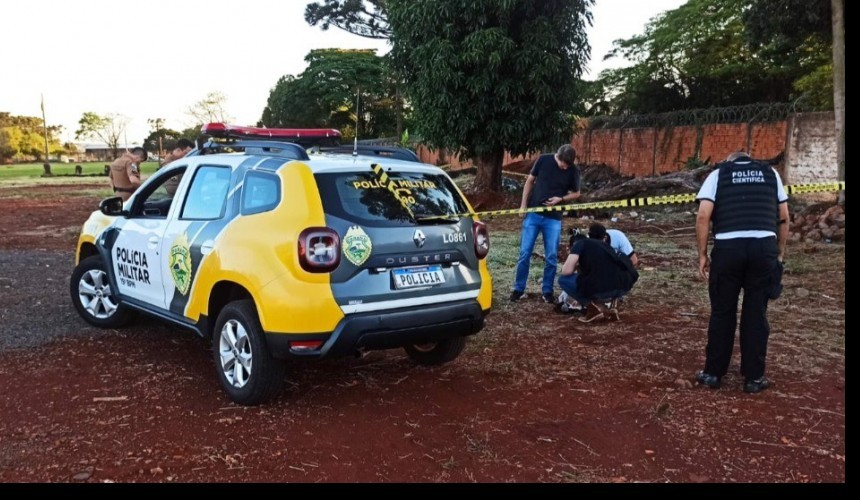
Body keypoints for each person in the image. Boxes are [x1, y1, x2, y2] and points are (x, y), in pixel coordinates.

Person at [694, 151, 789, 394]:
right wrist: (778, 254)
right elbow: (784, 218)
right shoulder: (771, 174)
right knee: (756, 314)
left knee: (723, 312)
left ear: (729, 161)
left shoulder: (718, 174)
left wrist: (703, 255)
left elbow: (704, 215)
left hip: (728, 250)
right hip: (763, 249)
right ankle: (754, 378)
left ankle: (713, 374)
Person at [510, 144, 581, 304]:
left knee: (551, 256)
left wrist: (560, 199)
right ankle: (519, 289)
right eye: (563, 164)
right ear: (558, 156)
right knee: (525, 253)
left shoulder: (573, 170)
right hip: (534, 214)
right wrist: (523, 205)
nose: (564, 168)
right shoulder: (543, 160)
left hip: (553, 218)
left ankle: (547, 290)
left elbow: (577, 192)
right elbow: (529, 181)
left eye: (568, 165)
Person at [557, 226, 637, 323]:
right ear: (604, 237)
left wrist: (576, 264)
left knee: (563, 280)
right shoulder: (609, 247)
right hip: (622, 287)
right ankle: (614, 305)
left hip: (602, 290)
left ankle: (592, 309)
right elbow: (631, 263)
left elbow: (566, 271)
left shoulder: (581, 244)